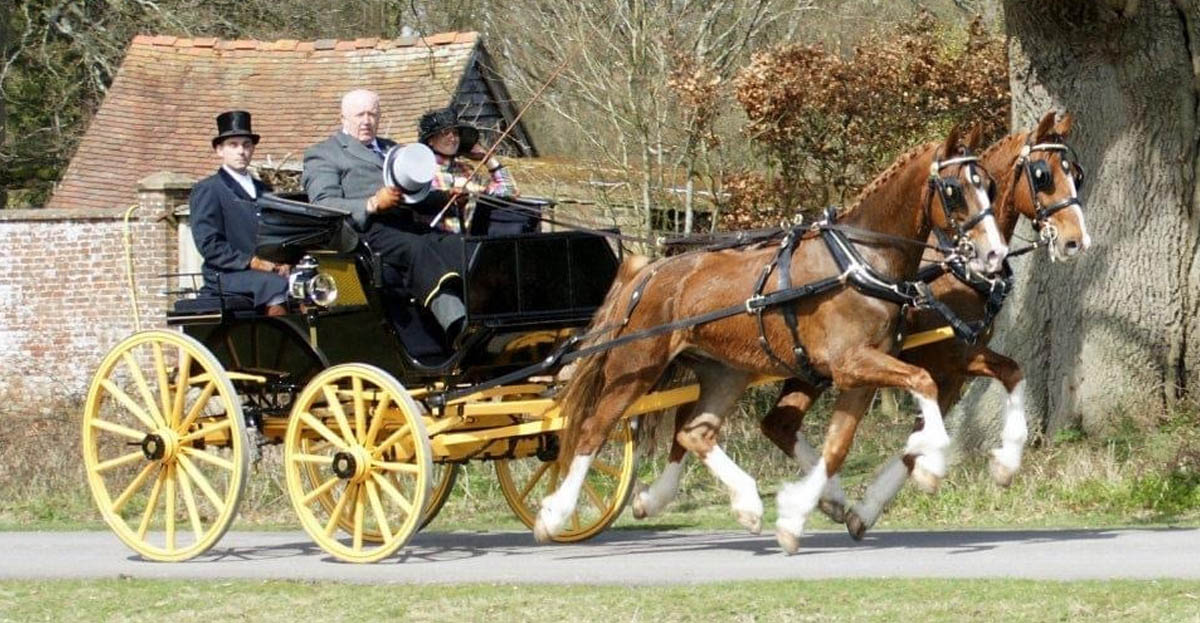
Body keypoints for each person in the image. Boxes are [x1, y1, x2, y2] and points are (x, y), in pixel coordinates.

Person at [302, 89, 467, 344]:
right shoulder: (325, 153)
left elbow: (415, 197)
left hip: (406, 225)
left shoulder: (393, 149)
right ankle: (458, 326)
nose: (366, 121)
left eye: (372, 114)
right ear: (343, 117)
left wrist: (445, 198)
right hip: (365, 233)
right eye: (360, 115)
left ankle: (485, 314)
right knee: (417, 248)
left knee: (457, 245)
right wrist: (372, 203)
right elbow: (323, 205)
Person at [190, 110, 289, 316]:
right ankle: (280, 342)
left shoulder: (264, 190)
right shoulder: (209, 189)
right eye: (233, 145)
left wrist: (283, 261)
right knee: (276, 285)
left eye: (246, 145)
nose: (241, 151)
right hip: (227, 274)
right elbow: (209, 244)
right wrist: (250, 261)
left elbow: (276, 234)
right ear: (219, 150)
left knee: (309, 282)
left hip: (266, 270)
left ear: (252, 149)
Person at [418, 107, 518, 199]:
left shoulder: (465, 170)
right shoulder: (424, 172)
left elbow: (509, 193)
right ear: (430, 140)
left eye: (456, 133)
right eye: (445, 132)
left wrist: (488, 159)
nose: (452, 138)